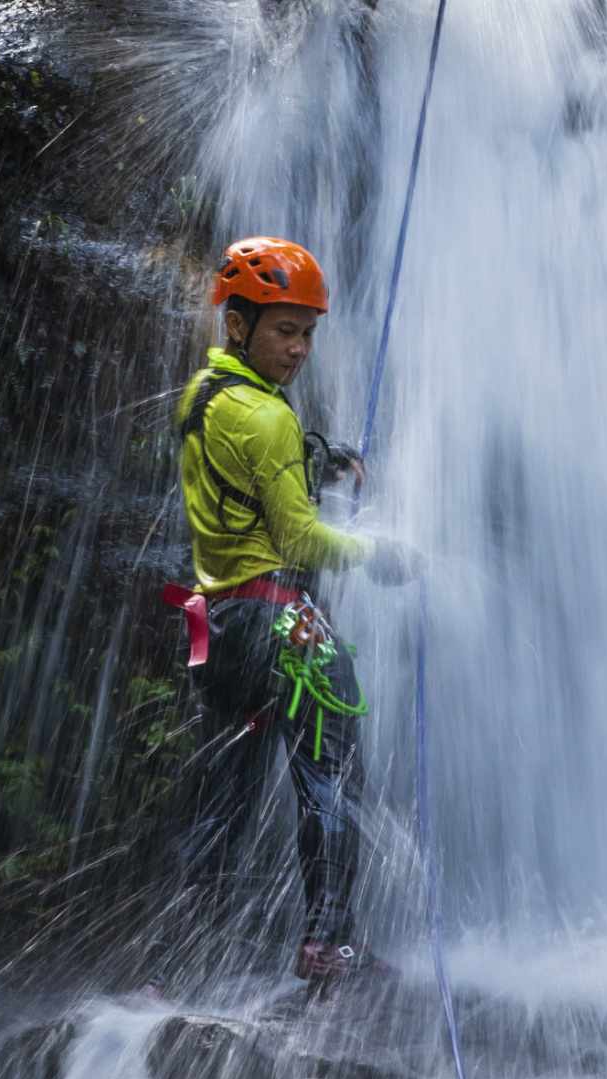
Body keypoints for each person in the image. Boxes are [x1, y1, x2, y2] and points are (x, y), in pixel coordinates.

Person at [175, 235, 415, 988]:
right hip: (283, 626)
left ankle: (180, 955)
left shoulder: (203, 397)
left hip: (213, 626)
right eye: (286, 329)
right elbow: (297, 535)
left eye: (309, 331)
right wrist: (383, 556)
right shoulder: (269, 418)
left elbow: (248, 482)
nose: (302, 348)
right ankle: (329, 942)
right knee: (331, 778)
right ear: (238, 325)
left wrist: (320, 457)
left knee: (229, 786)